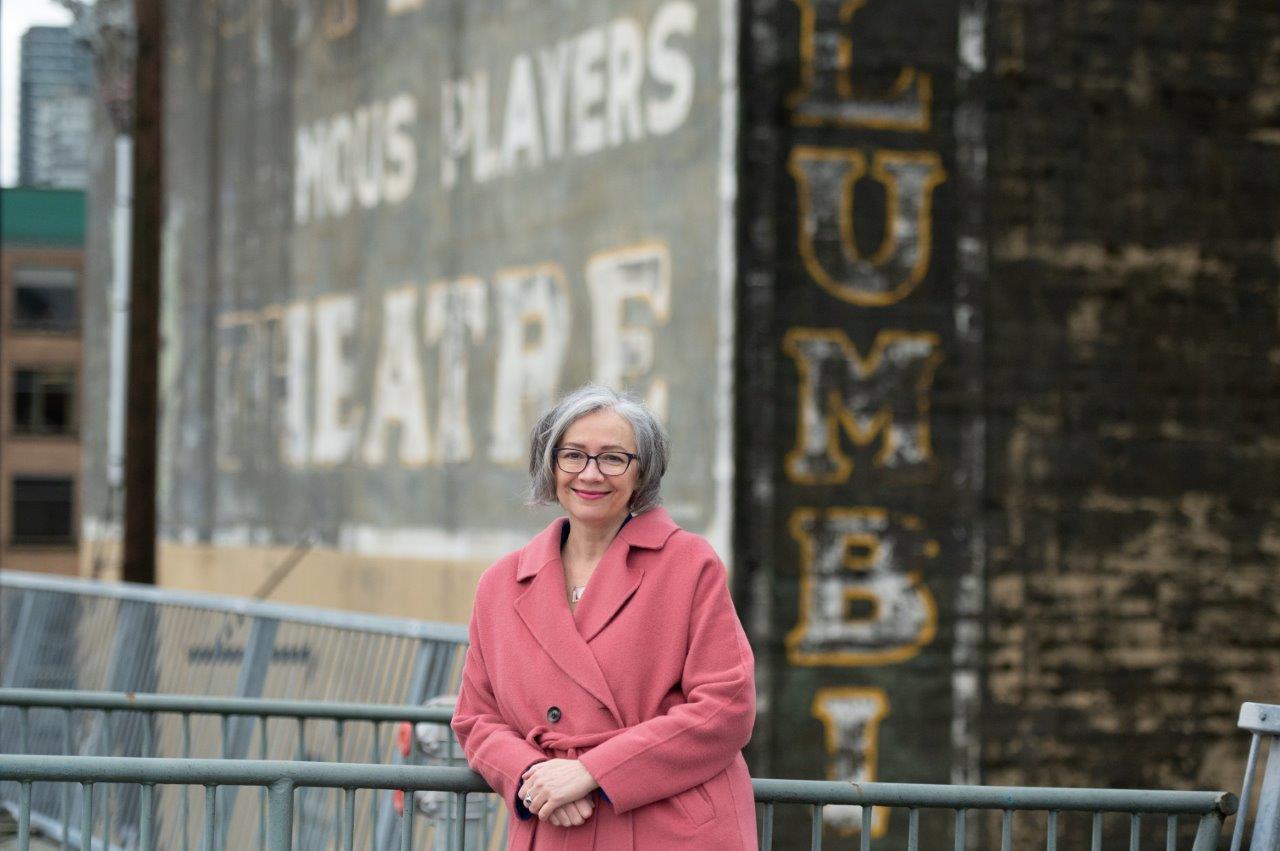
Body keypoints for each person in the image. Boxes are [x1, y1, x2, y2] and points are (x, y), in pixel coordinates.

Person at [451, 384, 758, 849]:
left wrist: (592, 771)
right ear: (550, 466)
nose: (591, 474)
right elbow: (476, 718)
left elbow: (726, 707)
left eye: (614, 458)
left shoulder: (689, 564)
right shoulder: (501, 582)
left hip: (669, 826)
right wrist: (531, 773)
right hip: (556, 823)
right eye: (573, 455)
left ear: (642, 473)